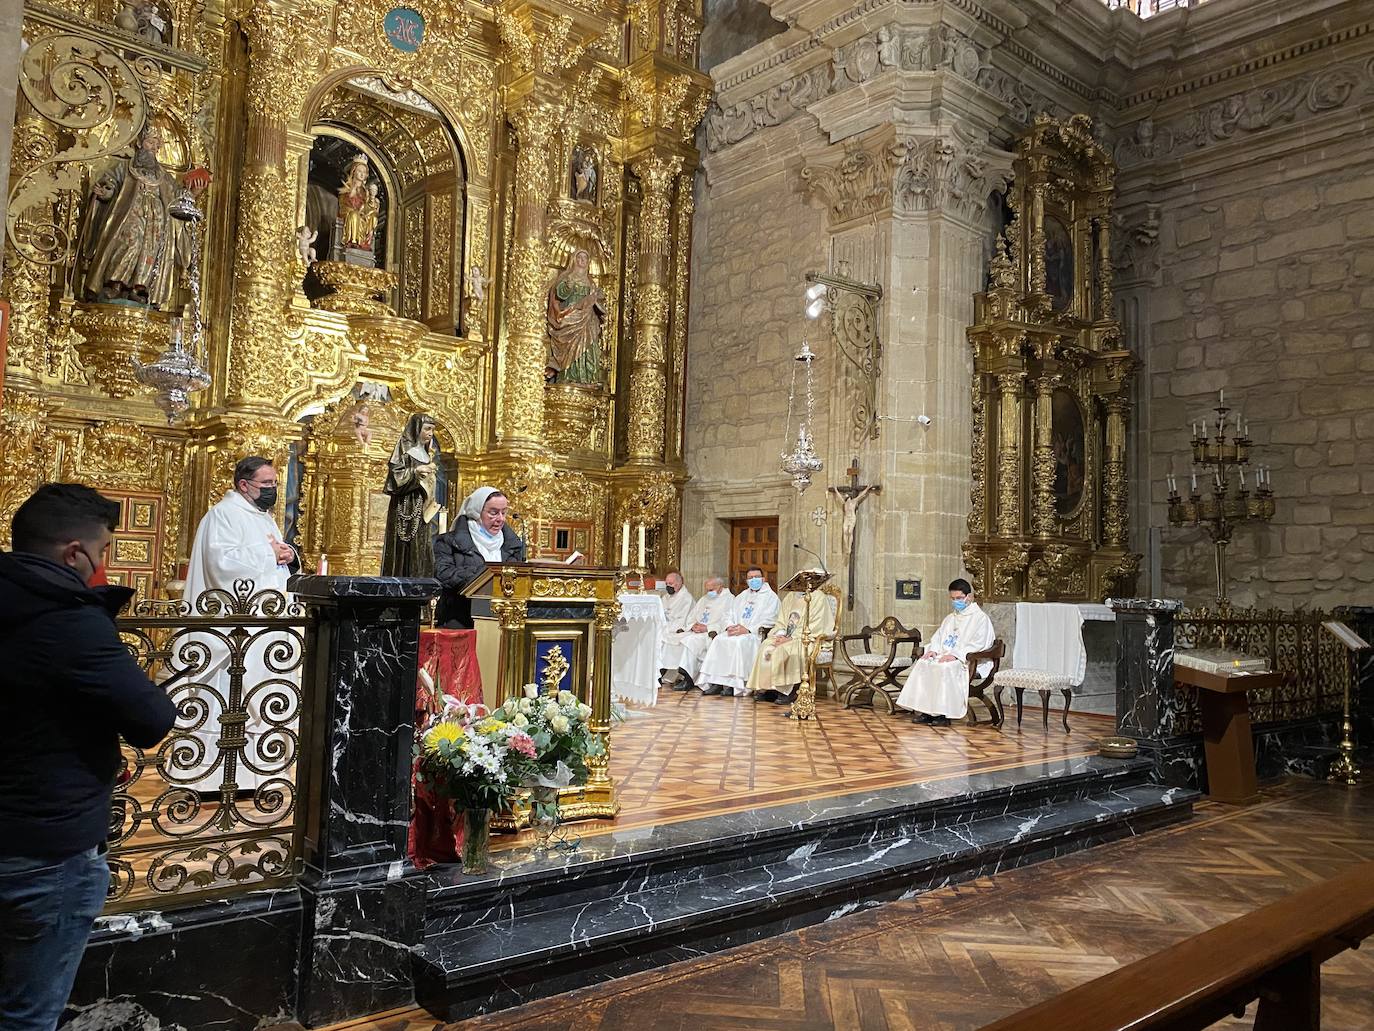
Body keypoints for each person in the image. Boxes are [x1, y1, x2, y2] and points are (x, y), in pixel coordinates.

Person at [0, 484, 176, 1030]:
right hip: (46, 847)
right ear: (74, 554)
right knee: (29, 1012)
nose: (102, 567)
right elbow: (151, 720)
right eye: (102, 554)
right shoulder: (70, 621)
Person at [182, 457, 299, 797]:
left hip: (266, 624)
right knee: (229, 695)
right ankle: (212, 778)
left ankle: (258, 774)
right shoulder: (223, 515)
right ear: (243, 485)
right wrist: (269, 554)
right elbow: (222, 563)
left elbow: (276, 556)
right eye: (266, 485)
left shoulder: (262, 517)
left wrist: (288, 554)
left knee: (265, 696)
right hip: (233, 630)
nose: (273, 491)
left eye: (275, 484)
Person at [895, 578, 996, 726]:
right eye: (953, 599)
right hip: (946, 655)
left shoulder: (980, 619)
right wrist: (933, 651)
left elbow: (980, 643)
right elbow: (939, 637)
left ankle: (942, 715)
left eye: (959, 598)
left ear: (969, 596)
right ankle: (925, 712)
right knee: (924, 663)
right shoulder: (950, 618)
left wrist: (956, 655)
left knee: (945, 667)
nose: (956, 602)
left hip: (968, 661)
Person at [433, 487, 525, 629]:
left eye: (504, 512)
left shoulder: (512, 545)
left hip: (503, 623)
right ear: (476, 512)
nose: (500, 519)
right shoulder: (449, 542)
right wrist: (485, 575)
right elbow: (443, 574)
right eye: (493, 513)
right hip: (460, 622)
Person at [747, 580, 835, 705]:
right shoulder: (790, 596)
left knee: (785, 650)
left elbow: (817, 625)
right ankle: (769, 688)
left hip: (807, 639)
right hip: (787, 636)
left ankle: (788, 691)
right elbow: (782, 620)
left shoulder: (818, 597)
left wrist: (791, 638)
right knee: (766, 645)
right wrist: (780, 634)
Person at [698, 567, 780, 696]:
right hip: (735, 630)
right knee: (719, 640)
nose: (754, 580)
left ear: (763, 579)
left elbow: (771, 619)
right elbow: (728, 614)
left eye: (756, 577)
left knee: (738, 643)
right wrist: (730, 626)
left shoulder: (771, 597)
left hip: (754, 635)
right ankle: (717, 683)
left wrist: (747, 629)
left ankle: (734, 685)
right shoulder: (742, 596)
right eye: (750, 578)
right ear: (746, 581)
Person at [381, 413, 440, 577]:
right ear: (416, 429)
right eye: (427, 429)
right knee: (405, 547)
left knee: (421, 547)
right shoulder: (406, 452)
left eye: (432, 430)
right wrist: (416, 471)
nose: (430, 433)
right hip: (406, 505)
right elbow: (395, 478)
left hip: (422, 506)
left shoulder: (426, 454)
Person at [670, 576, 733, 690]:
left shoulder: (729, 599)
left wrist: (708, 628)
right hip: (698, 631)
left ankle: (688, 678)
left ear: (719, 587)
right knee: (680, 638)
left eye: (711, 590)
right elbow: (692, 616)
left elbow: (727, 620)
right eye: (707, 590)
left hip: (711, 632)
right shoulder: (704, 599)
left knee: (691, 641)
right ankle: (682, 674)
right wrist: (692, 625)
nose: (708, 593)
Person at [656, 571, 695, 683]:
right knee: (657, 635)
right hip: (667, 626)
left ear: (679, 583)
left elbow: (683, 620)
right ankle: (658, 670)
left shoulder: (686, 598)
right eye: (667, 583)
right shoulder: (666, 597)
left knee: (666, 638)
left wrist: (667, 628)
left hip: (680, 629)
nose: (668, 586)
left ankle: (672, 672)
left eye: (671, 583)